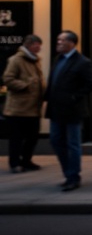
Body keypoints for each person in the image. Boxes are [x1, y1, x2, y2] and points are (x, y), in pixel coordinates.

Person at [44, 30, 92, 191]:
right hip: (56, 109)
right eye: (58, 40)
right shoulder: (57, 59)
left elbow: (91, 84)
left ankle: (73, 176)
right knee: (55, 140)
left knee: (73, 144)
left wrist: (74, 97)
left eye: (62, 40)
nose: (58, 43)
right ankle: (68, 172)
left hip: (72, 110)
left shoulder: (82, 62)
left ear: (72, 43)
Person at [3, 34, 45, 173]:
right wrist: (25, 86)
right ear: (29, 45)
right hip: (17, 108)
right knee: (16, 138)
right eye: (36, 45)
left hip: (33, 107)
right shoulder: (16, 60)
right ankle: (15, 163)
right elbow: (8, 79)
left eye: (40, 45)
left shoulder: (36, 60)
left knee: (32, 137)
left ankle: (26, 161)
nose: (39, 47)